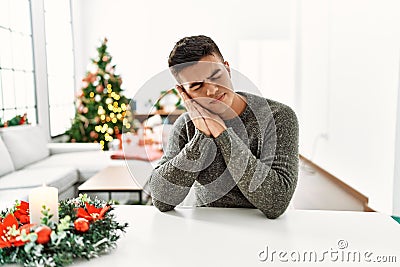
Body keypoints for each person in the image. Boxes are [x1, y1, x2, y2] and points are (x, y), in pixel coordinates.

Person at [149, 35, 298, 219]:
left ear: (227, 69)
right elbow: (161, 199)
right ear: (184, 92)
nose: (212, 90)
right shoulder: (186, 125)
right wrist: (202, 134)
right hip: (207, 229)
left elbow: (277, 201)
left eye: (216, 75)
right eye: (196, 86)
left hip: (265, 230)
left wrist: (222, 133)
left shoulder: (278, 116)